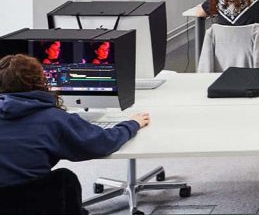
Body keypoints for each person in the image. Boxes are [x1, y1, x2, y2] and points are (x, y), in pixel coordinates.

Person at [0, 55, 149, 188]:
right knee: (65, 179)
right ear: (40, 81)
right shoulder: (53, 119)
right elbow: (102, 143)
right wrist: (132, 124)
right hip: (34, 206)